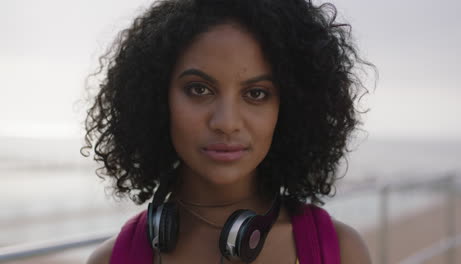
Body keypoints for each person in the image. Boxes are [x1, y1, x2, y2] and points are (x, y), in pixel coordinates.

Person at [83, 0, 373, 263]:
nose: (226, 122)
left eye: (256, 94)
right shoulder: (109, 260)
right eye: (199, 89)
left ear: (289, 108)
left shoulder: (339, 251)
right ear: (157, 98)